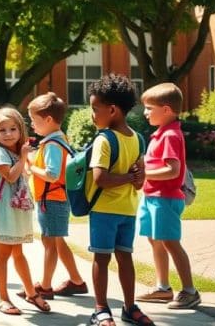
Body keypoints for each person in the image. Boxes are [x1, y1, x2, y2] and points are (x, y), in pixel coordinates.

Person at [85, 74, 148, 326]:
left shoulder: (106, 139)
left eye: (94, 109)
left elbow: (102, 178)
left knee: (109, 257)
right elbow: (135, 180)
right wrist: (131, 177)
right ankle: (113, 308)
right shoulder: (136, 138)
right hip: (121, 209)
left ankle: (114, 308)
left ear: (112, 110)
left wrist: (129, 177)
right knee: (117, 257)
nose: (92, 114)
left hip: (109, 210)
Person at [136, 83, 201, 309]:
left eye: (149, 108)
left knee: (171, 243)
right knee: (156, 241)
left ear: (166, 110)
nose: (145, 112)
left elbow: (173, 170)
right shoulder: (159, 134)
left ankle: (190, 291)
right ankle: (162, 288)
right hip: (152, 196)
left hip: (166, 198)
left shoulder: (171, 135)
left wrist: (145, 173)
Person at [0, 107, 51, 316]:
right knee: (3, 253)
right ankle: (2, 297)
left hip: (18, 208)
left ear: (21, 130)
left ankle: (30, 292)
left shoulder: (17, 151)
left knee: (19, 252)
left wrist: (25, 158)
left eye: (13, 129)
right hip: (3, 209)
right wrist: (22, 158)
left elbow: (25, 175)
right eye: (2, 130)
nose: (8, 133)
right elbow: (10, 176)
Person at [25, 92, 88, 300]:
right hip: (57, 199)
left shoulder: (52, 145)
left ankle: (44, 286)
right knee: (58, 242)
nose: (32, 125)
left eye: (35, 120)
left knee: (49, 243)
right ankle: (77, 281)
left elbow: (51, 174)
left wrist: (32, 168)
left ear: (49, 120)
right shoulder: (60, 140)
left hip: (51, 200)